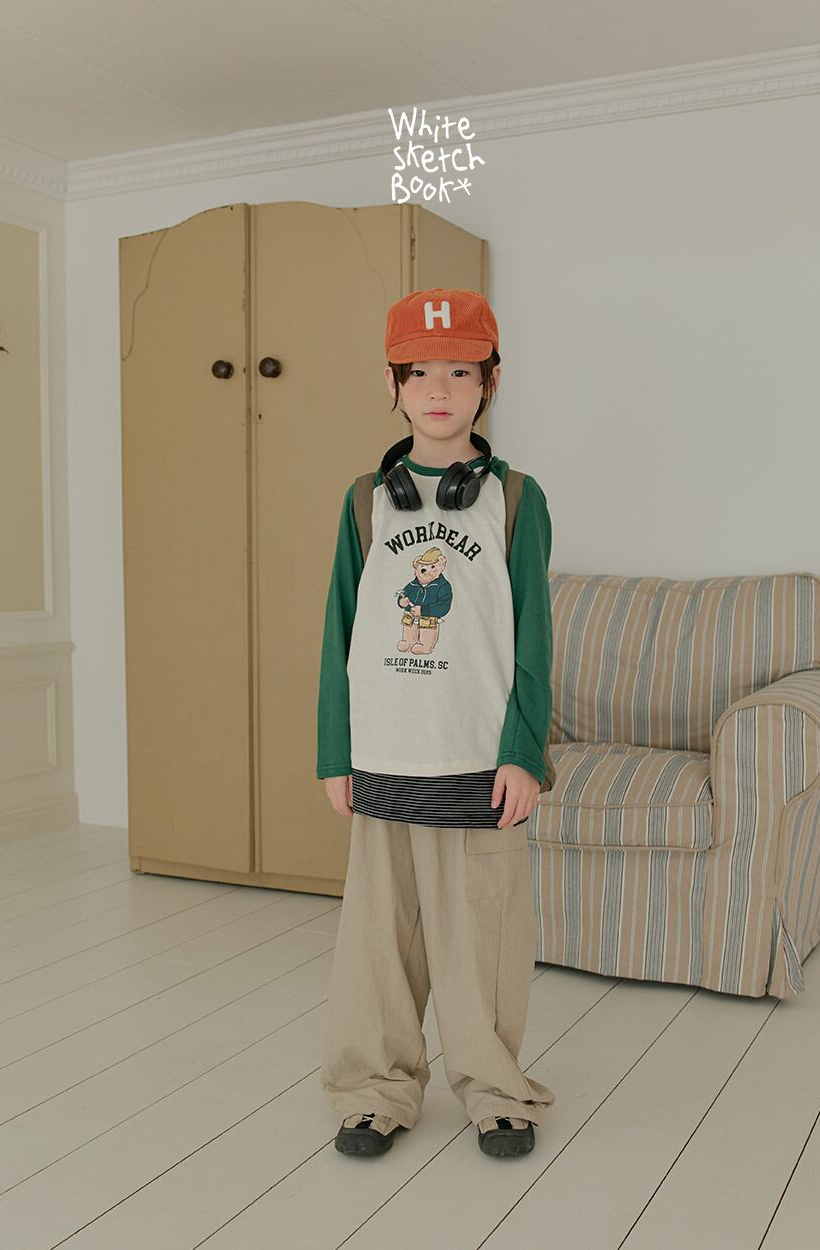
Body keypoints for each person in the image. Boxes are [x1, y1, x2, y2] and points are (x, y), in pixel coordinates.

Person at [317, 287, 556, 1159]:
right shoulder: (363, 502)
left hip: (476, 757)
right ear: (392, 384)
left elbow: (534, 634)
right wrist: (335, 751)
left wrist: (523, 752)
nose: (440, 389)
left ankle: (497, 1091)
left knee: (480, 938)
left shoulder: (517, 499)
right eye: (421, 373)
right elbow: (339, 630)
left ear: (491, 381)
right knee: (377, 940)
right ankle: (374, 1089)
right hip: (385, 750)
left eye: (461, 371)